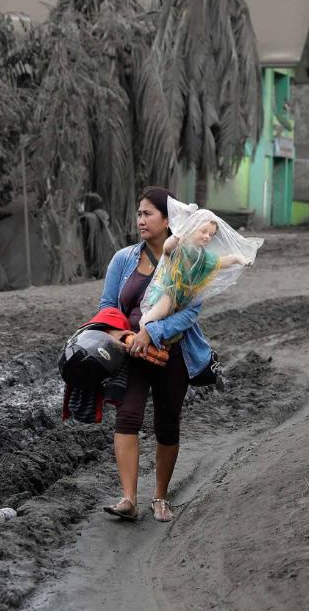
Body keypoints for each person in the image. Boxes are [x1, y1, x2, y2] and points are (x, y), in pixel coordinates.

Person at [97, 186, 212, 523]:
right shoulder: (123, 259)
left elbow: (190, 313)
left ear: (168, 219)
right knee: (127, 417)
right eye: (139, 213)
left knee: (167, 422)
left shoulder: (191, 259)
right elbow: (107, 307)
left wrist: (152, 332)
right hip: (130, 351)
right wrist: (123, 335)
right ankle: (129, 499)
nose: (140, 220)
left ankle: (160, 498)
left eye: (148, 214)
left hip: (173, 353)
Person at [138, 207, 258, 327]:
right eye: (203, 231)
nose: (207, 237)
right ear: (193, 228)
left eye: (211, 234)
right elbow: (167, 249)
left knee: (170, 322)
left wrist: (238, 259)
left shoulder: (203, 256)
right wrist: (175, 238)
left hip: (182, 298)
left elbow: (221, 262)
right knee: (160, 311)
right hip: (168, 291)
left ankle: (154, 335)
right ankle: (144, 325)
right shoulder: (181, 246)